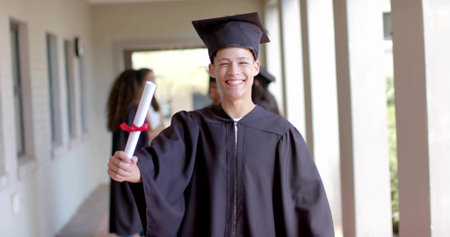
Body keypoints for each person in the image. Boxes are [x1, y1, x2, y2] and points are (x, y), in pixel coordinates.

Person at [108, 12, 334, 237]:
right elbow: (159, 168)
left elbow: (307, 203)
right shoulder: (190, 127)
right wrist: (134, 171)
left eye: (242, 62)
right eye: (224, 63)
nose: (234, 71)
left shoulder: (281, 135)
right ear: (212, 70)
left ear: (255, 67)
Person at [106, 69, 147, 237]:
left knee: (127, 215)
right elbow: (140, 144)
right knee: (135, 213)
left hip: (122, 167)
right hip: (131, 167)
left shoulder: (122, 110)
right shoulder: (133, 112)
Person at [137, 68, 165, 141]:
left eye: (154, 79)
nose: (154, 82)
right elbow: (147, 135)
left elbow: (163, 125)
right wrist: (159, 129)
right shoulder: (138, 106)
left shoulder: (154, 103)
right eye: (150, 79)